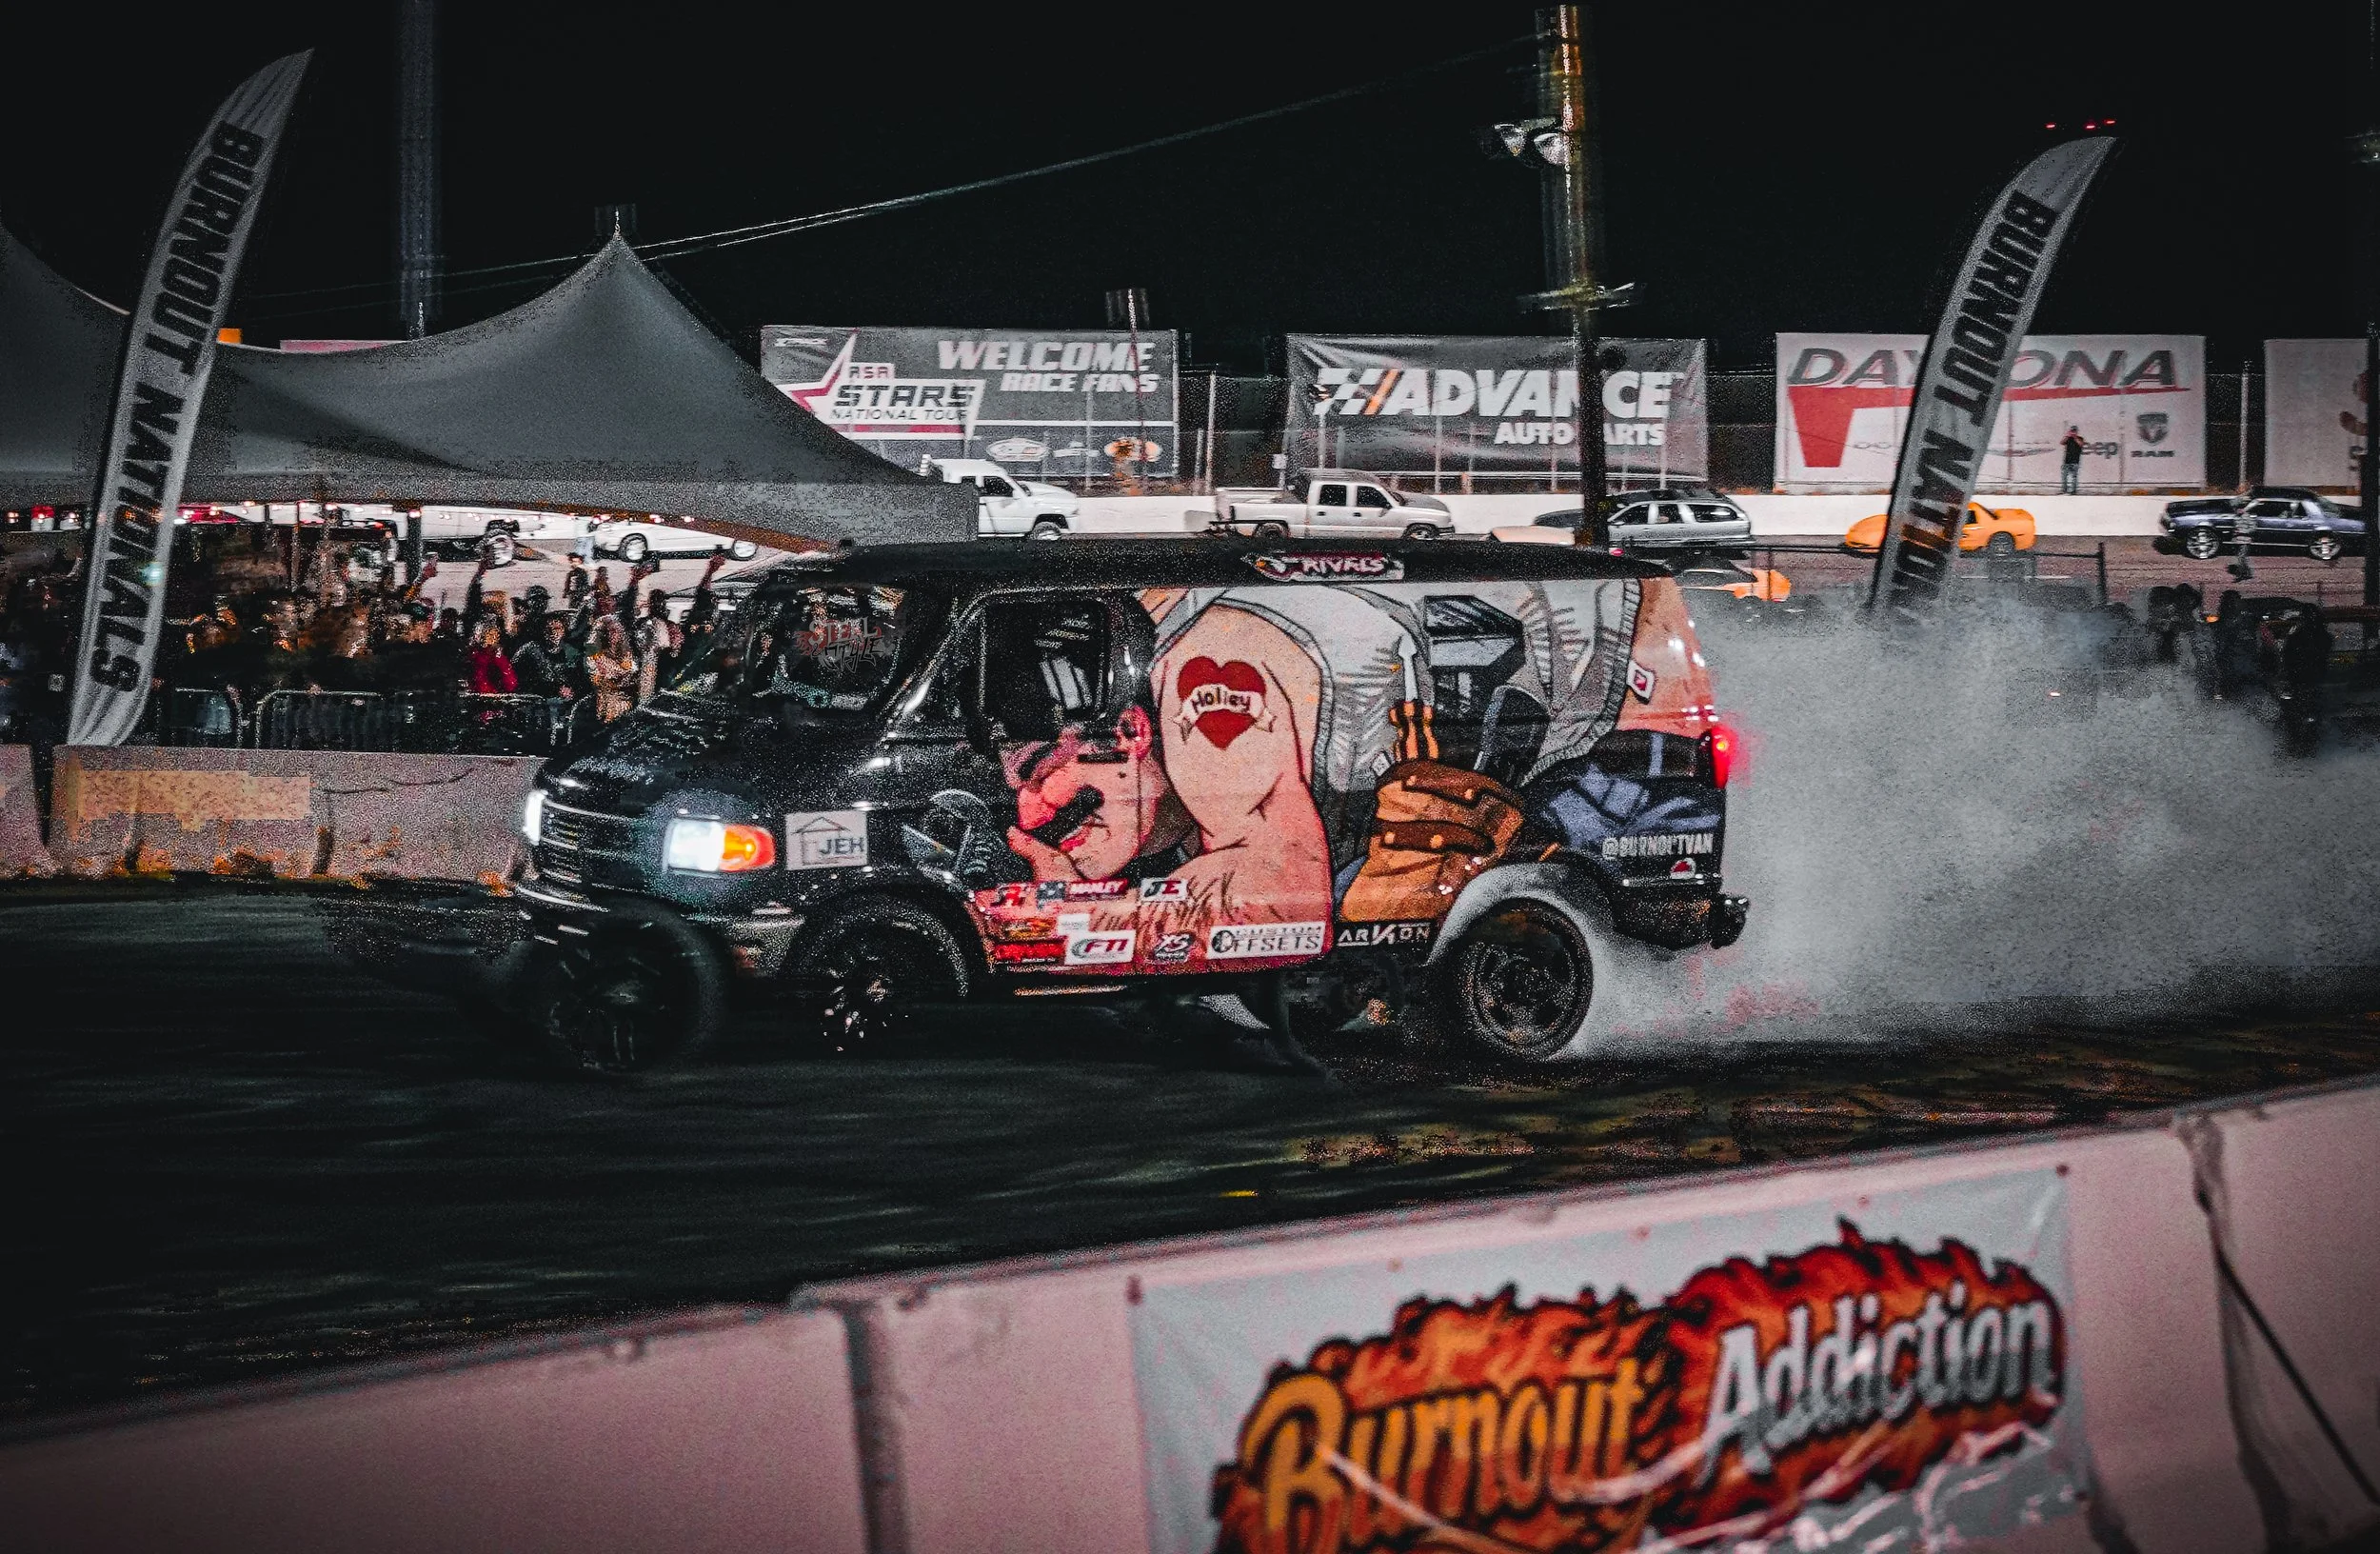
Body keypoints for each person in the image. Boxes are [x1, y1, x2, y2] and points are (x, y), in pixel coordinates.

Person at [586, 615, 639, 722]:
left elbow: (630, 676)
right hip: (603, 697)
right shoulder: (596, 655)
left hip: (624, 698)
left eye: (615, 631)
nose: (611, 634)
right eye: (607, 631)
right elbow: (597, 679)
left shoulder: (628, 655)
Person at [466, 618, 517, 695]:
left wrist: (499, 659)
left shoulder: (499, 656)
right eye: (490, 635)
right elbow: (479, 679)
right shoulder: (477, 655)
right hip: (483, 694)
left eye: (496, 635)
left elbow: (511, 682)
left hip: (497, 693)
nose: (493, 638)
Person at [2060, 426, 2085, 494]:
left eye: (2074, 431)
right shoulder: (2068, 438)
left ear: (2076, 432)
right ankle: (2064, 490)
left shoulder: (2080, 438)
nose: (2073, 432)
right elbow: (2062, 442)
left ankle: (2073, 491)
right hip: (2067, 461)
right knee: (2064, 476)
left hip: (2075, 461)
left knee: (2074, 477)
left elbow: (2081, 444)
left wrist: (2075, 437)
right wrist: (2067, 436)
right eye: (2072, 431)